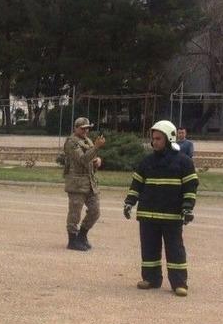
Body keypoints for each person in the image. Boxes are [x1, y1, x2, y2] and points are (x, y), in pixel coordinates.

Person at [123, 120, 198, 297]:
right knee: (149, 248)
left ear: (169, 138)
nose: (154, 142)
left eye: (158, 138)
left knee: (175, 249)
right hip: (147, 216)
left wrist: (187, 208)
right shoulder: (146, 162)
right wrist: (129, 202)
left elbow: (190, 187)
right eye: (153, 138)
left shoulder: (184, 162)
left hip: (171, 216)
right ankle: (151, 279)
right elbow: (137, 184)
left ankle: (179, 283)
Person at [63, 117, 106, 251]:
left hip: (90, 183)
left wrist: (97, 161)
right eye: (82, 128)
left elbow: (90, 159)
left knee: (95, 211)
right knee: (75, 214)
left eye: (87, 128)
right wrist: (97, 147)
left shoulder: (87, 141)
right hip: (77, 183)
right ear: (75, 128)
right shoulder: (71, 142)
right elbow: (82, 159)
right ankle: (72, 240)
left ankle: (82, 236)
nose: (85, 130)